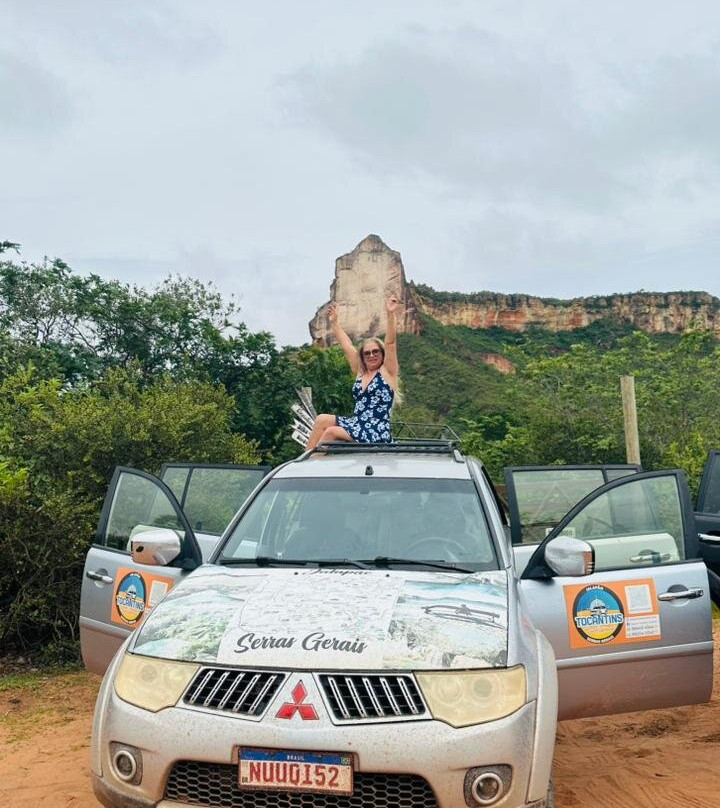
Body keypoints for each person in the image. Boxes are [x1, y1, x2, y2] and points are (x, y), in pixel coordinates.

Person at [305, 296, 401, 450]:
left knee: (331, 432)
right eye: (367, 353)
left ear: (382, 354)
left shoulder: (388, 372)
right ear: (362, 357)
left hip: (375, 431)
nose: (371, 355)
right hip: (357, 424)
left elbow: (390, 343)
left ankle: (313, 466)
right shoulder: (360, 372)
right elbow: (347, 345)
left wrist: (390, 314)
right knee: (322, 419)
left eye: (376, 351)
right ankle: (302, 461)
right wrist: (335, 323)